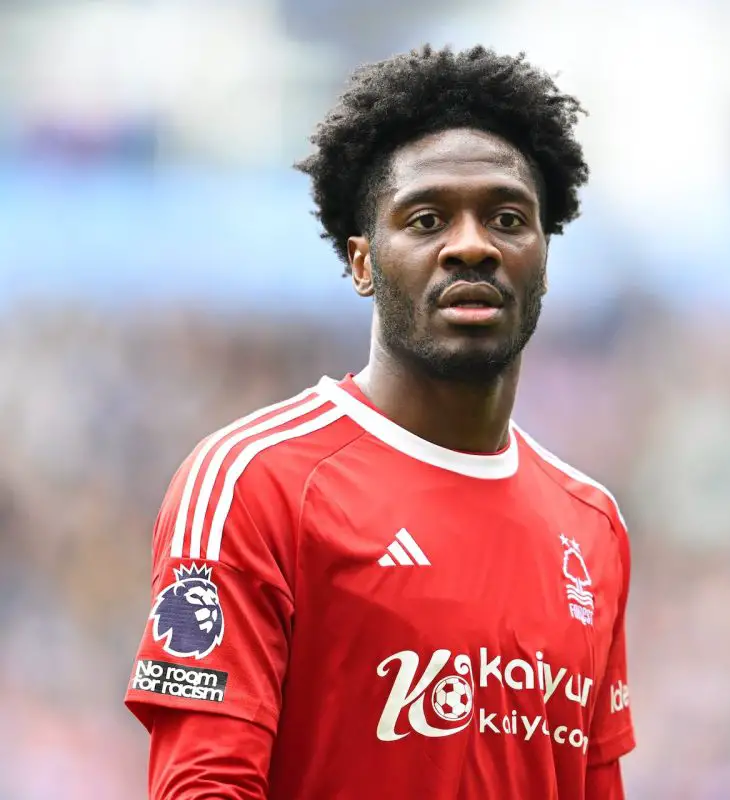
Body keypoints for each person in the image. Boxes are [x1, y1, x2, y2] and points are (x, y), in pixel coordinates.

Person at [124, 45, 635, 799]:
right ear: (363, 262)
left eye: (506, 218)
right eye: (427, 219)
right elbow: (203, 785)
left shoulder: (593, 526)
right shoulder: (253, 483)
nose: (472, 245)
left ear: (544, 259)